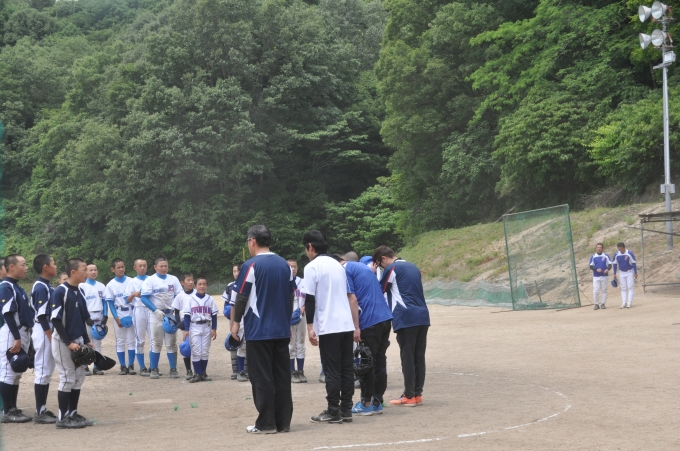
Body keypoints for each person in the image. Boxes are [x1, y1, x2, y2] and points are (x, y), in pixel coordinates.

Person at [232, 225, 295, 434]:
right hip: (281, 329)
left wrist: (235, 323)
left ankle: (266, 423)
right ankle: (283, 422)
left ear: (252, 241)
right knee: (282, 377)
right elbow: (290, 297)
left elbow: (241, 296)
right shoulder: (285, 265)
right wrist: (286, 322)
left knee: (261, 377)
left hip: (259, 330)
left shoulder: (250, 265)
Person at [303, 231, 360, 424]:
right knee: (346, 368)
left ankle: (333, 410)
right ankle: (346, 409)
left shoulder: (312, 267)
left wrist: (310, 326)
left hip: (329, 325)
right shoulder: (338, 265)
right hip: (345, 324)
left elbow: (309, 299)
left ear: (310, 246)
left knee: (332, 370)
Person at [374, 245, 430, 407]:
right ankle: (417, 394)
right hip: (423, 316)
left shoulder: (392, 268)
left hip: (406, 317)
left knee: (408, 357)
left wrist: (372, 274)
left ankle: (409, 395)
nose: (382, 268)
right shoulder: (413, 267)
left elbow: (380, 289)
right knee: (419, 356)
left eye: (380, 264)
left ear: (384, 258)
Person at [339, 256, 393, 416]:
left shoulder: (344, 270)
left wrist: (356, 327)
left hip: (369, 321)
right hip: (385, 317)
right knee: (379, 360)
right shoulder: (363, 267)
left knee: (365, 361)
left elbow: (352, 299)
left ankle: (366, 403)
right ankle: (377, 402)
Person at [51, 258, 96, 429]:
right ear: (73, 272)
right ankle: (62, 418)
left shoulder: (80, 291)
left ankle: (73, 414)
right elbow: (55, 320)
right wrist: (68, 342)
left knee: (78, 378)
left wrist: (86, 340)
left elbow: (81, 319)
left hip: (77, 340)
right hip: (63, 341)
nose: (87, 272)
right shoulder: (61, 291)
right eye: (84, 269)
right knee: (67, 378)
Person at [0, 254, 33, 423]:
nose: (26, 268)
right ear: (11, 267)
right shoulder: (6, 286)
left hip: (21, 333)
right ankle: (7, 411)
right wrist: (16, 337)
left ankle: (13, 408)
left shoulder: (17, 287)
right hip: (12, 333)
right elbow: (7, 314)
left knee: (16, 373)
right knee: (7, 371)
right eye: (23, 264)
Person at [140, 257, 181, 379]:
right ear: (155, 267)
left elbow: (179, 296)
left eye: (165, 266)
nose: (164, 268)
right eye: (161, 266)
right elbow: (144, 297)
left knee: (171, 343)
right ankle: (154, 368)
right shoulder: (150, 280)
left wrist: (176, 313)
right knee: (156, 343)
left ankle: (173, 369)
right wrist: (155, 310)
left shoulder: (173, 279)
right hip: (156, 314)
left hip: (170, 314)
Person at [31, 254, 58, 424]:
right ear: (45, 267)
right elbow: (41, 315)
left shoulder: (47, 285)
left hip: (47, 330)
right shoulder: (41, 287)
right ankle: (40, 411)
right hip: (43, 330)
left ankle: (42, 409)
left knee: (47, 371)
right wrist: (50, 337)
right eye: (53, 263)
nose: (56, 266)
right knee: (42, 371)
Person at [182, 276, 217, 383]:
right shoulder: (190, 299)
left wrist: (214, 329)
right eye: (200, 284)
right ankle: (197, 373)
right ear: (195, 286)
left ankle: (203, 373)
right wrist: (187, 329)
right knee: (196, 351)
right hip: (194, 326)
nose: (202, 286)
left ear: (206, 286)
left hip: (207, 326)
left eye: (204, 284)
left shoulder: (210, 299)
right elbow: (187, 316)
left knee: (205, 351)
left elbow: (214, 315)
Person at [104, 259, 135, 375]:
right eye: (118, 267)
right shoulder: (111, 285)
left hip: (131, 311)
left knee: (132, 340)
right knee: (120, 341)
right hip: (119, 312)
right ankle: (122, 366)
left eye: (122, 267)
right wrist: (117, 319)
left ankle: (131, 365)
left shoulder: (131, 281)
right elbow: (111, 303)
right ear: (113, 269)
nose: (121, 269)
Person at [79, 263, 108, 376]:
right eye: (90, 270)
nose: (93, 272)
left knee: (98, 342)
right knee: (86, 341)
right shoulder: (82, 286)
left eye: (95, 270)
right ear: (86, 272)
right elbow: (81, 303)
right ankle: (85, 366)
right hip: (88, 315)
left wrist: (105, 315)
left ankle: (97, 366)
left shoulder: (101, 286)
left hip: (99, 315)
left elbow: (104, 302)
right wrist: (86, 317)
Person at [126, 258, 150, 376]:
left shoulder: (151, 279)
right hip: (139, 309)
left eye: (144, 265)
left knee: (154, 339)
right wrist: (134, 294)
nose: (142, 268)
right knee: (140, 339)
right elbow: (127, 300)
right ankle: (142, 366)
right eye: (140, 266)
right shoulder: (132, 282)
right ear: (135, 267)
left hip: (151, 309)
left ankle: (153, 366)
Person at [173, 272, 196, 380]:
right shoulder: (179, 296)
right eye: (188, 280)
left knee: (196, 348)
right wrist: (178, 323)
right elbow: (176, 311)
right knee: (186, 347)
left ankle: (198, 370)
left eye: (192, 280)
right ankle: (188, 370)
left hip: (196, 323)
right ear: (182, 282)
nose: (191, 282)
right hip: (185, 324)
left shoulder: (197, 293)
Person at [288, 258, 307, 383]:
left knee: (300, 343)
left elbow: (308, 298)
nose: (293, 269)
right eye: (290, 267)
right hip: (288, 317)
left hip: (301, 316)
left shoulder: (303, 282)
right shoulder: (282, 282)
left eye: (294, 266)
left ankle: (300, 371)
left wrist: (303, 308)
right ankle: (291, 371)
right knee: (291, 344)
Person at [222, 264, 242, 380]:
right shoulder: (230, 286)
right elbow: (227, 304)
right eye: (234, 271)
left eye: (238, 271)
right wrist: (227, 312)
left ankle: (243, 370)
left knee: (244, 344)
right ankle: (235, 370)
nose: (236, 273)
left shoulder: (247, 284)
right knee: (233, 342)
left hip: (244, 318)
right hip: (233, 319)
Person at [612, 242, 638, 309]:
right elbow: (615, 264)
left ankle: (629, 302)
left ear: (624, 247)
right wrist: (614, 273)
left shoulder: (629, 253)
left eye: (621, 249)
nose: (620, 250)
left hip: (629, 272)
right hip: (622, 272)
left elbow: (634, 263)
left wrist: (635, 272)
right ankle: (624, 302)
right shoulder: (617, 254)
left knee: (630, 287)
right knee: (623, 288)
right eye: (619, 249)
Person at [589, 243, 612, 310]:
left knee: (604, 290)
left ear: (602, 248)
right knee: (596, 290)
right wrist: (596, 269)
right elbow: (591, 266)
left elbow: (610, 265)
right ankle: (596, 304)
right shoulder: (593, 256)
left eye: (600, 247)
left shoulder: (606, 256)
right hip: (596, 276)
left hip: (604, 276)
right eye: (598, 247)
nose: (599, 248)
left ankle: (603, 304)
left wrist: (607, 269)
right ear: (596, 248)